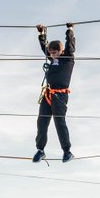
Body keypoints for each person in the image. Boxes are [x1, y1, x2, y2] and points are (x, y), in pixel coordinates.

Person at [33, 23, 75, 163]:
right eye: (51, 53)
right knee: (42, 121)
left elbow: (70, 47)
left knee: (59, 122)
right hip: (48, 94)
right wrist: (41, 34)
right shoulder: (52, 58)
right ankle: (40, 149)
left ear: (60, 51)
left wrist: (69, 31)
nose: (52, 55)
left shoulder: (67, 59)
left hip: (60, 95)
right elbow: (44, 48)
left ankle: (67, 151)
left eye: (55, 53)